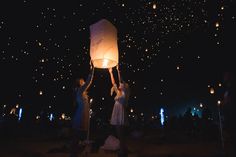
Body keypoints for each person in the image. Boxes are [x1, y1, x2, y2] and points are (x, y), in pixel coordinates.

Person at [69, 61, 95, 157]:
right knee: (76, 136)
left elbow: (86, 105)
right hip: (81, 115)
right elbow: (89, 81)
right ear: (80, 84)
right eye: (82, 81)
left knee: (79, 136)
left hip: (83, 114)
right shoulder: (80, 91)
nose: (84, 81)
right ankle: (73, 153)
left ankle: (75, 153)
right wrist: (92, 69)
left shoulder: (83, 94)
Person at [108, 65, 130, 157]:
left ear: (124, 87)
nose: (120, 85)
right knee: (118, 132)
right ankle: (123, 149)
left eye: (121, 84)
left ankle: (122, 151)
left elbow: (120, 79)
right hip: (116, 112)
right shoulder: (119, 92)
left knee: (120, 133)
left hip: (120, 112)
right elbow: (113, 82)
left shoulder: (124, 94)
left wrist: (118, 71)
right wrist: (111, 72)